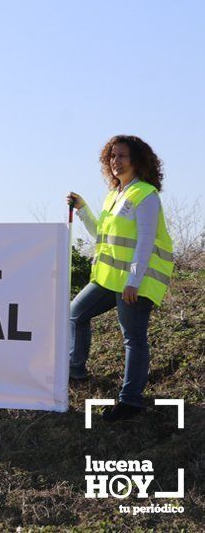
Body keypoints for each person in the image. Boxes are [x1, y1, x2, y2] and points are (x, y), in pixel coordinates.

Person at [66, 135, 174, 421]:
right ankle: (75, 371)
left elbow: (146, 241)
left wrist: (134, 281)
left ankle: (131, 402)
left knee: (133, 338)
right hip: (109, 279)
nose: (116, 161)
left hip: (136, 282)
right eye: (112, 156)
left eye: (122, 156)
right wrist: (82, 208)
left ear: (136, 160)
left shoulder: (145, 194)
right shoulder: (115, 195)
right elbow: (100, 233)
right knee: (76, 313)